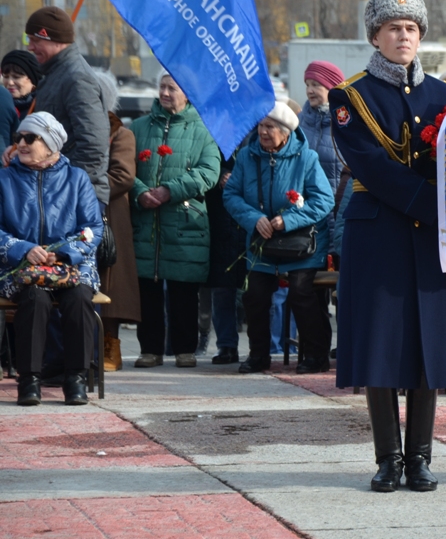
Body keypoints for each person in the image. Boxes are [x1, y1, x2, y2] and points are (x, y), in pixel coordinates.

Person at [329, 0, 446, 493]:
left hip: (431, 238)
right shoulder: (350, 95)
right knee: (381, 346)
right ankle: (388, 458)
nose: (403, 36)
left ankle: (421, 457)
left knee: (429, 344)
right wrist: (442, 209)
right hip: (379, 232)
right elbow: (374, 168)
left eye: (411, 28)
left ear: (421, 37)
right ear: (375, 37)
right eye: (393, 28)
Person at [223, 95, 334, 374]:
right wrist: (254, 219)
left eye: (270, 127)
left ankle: (315, 356)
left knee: (301, 292)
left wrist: (288, 220)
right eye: (260, 126)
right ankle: (259, 355)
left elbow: (323, 200)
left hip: (301, 243)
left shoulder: (306, 158)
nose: (263, 132)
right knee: (255, 294)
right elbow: (232, 194)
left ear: (286, 132)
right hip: (263, 240)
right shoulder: (248, 157)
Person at [0, 113, 104, 406]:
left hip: (70, 265)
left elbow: (93, 229)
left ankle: (76, 379)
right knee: (35, 298)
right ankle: (29, 379)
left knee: (80, 297)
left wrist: (63, 253)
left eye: (30, 138)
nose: (21, 143)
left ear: (50, 145)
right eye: (18, 137)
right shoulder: (4, 178)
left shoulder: (77, 178)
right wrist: (23, 248)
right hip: (21, 266)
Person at [130, 71, 220, 369]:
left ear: (188, 94)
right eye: (162, 87)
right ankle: (150, 349)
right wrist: (140, 192)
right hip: (146, 223)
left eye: (172, 88)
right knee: (148, 291)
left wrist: (170, 189)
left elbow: (208, 172)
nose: (165, 93)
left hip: (185, 224)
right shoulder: (138, 128)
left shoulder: (204, 130)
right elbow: (124, 170)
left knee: (183, 290)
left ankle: (185, 349)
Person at [23, 7, 109, 204]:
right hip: (58, 192)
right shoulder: (57, 73)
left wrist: (63, 183)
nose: (30, 47)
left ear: (54, 39)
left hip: (74, 197)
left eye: (36, 40)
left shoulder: (76, 78)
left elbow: (93, 146)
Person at [94, 72, 141, 372]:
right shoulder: (69, 128)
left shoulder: (120, 133)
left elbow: (123, 176)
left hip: (110, 214)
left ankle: (111, 344)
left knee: (110, 282)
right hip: (75, 214)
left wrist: (80, 189)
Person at [203, 148, 248, 365]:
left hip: (252, 221)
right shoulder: (214, 136)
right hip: (219, 220)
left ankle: (262, 346)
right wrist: (221, 173)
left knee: (256, 291)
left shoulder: (258, 131)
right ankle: (227, 346)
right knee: (222, 289)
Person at [299, 61, 346, 258]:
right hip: (305, 217)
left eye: (316, 85)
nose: (310, 90)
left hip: (338, 215)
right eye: (307, 85)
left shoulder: (347, 125)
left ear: (332, 88)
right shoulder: (298, 123)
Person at [2, 49, 41, 120]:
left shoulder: (43, 108)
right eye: (6, 77)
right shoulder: (2, 105)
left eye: (16, 77)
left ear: (33, 81)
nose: (10, 82)